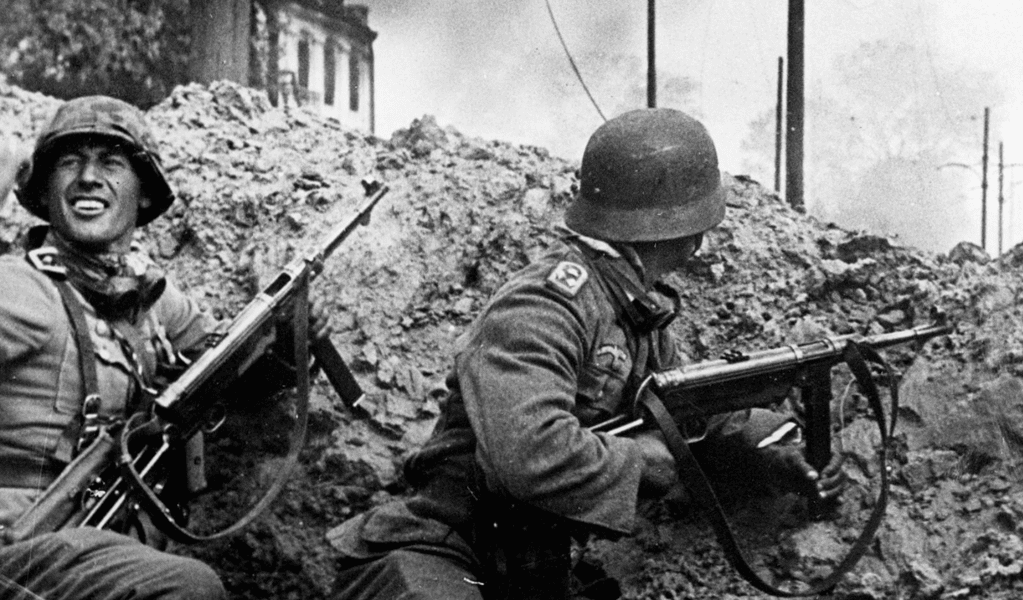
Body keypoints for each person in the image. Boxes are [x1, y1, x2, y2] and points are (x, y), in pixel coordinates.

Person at [328, 108, 845, 600]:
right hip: (444, 551)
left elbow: (693, 417)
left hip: (532, 569)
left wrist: (777, 451)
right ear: (685, 231)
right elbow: (527, 456)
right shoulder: (545, 306)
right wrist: (639, 460)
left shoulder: (633, 314)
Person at [0, 95, 328, 599]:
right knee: (188, 588)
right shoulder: (21, 288)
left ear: (144, 195)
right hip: (18, 542)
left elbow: (230, 379)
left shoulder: (152, 299)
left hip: (91, 540)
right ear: (44, 194)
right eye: (69, 162)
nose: (88, 178)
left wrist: (289, 343)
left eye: (110, 162)